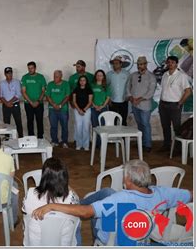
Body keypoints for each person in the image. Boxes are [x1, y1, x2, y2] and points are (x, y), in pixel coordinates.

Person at [32, 160, 193, 246]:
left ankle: (76, 203)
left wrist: (51, 205)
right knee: (107, 192)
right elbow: (190, 195)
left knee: (98, 205)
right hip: (141, 237)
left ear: (128, 180)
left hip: (113, 240)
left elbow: (87, 212)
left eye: (125, 175)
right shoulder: (163, 193)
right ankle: (77, 201)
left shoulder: (120, 199)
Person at [22, 157, 80, 246]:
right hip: (63, 243)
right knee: (77, 222)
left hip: (35, 243)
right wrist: (65, 185)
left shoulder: (29, 193)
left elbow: (25, 212)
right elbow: (78, 206)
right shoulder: (71, 197)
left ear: (43, 176)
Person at [158, 55, 192, 152]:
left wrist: (180, 103)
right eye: (168, 62)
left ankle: (178, 148)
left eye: (172, 62)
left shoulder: (181, 76)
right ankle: (167, 145)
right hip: (163, 104)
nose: (170, 64)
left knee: (177, 127)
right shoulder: (165, 75)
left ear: (177, 64)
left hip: (174, 105)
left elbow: (188, 91)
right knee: (165, 126)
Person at [126, 56, 157, 153]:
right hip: (134, 105)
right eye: (139, 64)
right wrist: (130, 97)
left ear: (146, 64)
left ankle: (147, 144)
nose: (140, 66)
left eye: (142, 64)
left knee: (145, 124)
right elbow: (128, 87)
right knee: (139, 124)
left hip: (145, 105)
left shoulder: (151, 76)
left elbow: (151, 92)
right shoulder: (133, 75)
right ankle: (142, 142)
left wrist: (139, 99)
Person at [21, 61, 47, 139]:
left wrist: (38, 101)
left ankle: (40, 138)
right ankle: (31, 138)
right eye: (29, 68)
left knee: (39, 121)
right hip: (28, 104)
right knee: (30, 121)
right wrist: (31, 102)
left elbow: (43, 91)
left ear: (35, 68)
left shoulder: (41, 77)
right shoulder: (25, 77)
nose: (30, 70)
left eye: (32, 68)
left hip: (39, 103)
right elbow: (23, 91)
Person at [45, 70, 70, 148]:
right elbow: (48, 96)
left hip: (63, 109)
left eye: (57, 77)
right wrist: (54, 104)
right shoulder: (50, 84)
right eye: (54, 76)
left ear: (61, 77)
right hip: (52, 109)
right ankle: (54, 141)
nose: (55, 78)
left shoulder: (66, 84)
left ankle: (64, 141)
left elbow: (67, 96)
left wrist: (60, 105)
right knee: (53, 126)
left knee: (64, 126)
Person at [0, 67, 24, 138]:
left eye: (10, 73)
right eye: (7, 73)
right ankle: (7, 138)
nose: (9, 75)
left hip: (15, 104)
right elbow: (0, 95)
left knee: (18, 122)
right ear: (5, 74)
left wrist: (9, 102)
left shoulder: (16, 82)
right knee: (6, 123)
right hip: (5, 105)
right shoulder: (1, 83)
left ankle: (21, 137)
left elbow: (18, 94)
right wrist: (6, 103)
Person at [107, 56, 130, 125]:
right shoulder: (109, 74)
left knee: (123, 121)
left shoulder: (127, 74)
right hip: (112, 101)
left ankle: (123, 136)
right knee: (113, 121)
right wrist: (108, 98)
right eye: (113, 63)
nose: (114, 65)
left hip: (124, 100)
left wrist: (128, 95)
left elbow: (129, 86)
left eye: (116, 63)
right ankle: (114, 136)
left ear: (121, 64)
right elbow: (106, 86)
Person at [72, 76, 93, 150]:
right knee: (78, 127)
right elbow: (74, 101)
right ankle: (79, 144)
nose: (82, 81)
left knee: (86, 128)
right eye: (81, 80)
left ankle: (86, 145)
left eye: (84, 80)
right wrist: (79, 110)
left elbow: (90, 102)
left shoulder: (89, 90)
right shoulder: (76, 90)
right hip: (77, 110)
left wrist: (83, 110)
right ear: (79, 81)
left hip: (86, 111)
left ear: (86, 81)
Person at [91, 70, 111, 147]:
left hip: (103, 109)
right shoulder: (92, 85)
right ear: (95, 76)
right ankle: (96, 144)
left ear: (103, 77)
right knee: (95, 126)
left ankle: (102, 144)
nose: (99, 77)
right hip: (93, 108)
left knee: (102, 126)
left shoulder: (106, 86)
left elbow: (108, 98)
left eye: (101, 75)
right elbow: (90, 97)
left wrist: (102, 106)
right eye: (98, 75)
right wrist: (94, 105)